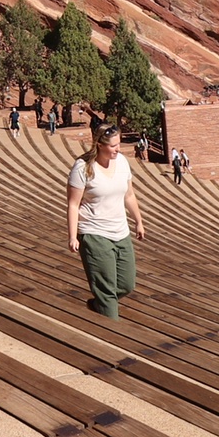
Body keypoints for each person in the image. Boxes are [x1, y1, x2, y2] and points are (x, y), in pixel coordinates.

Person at [68, 123, 145, 320]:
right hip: (94, 234)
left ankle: (99, 304)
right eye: (113, 146)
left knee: (127, 284)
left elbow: (129, 194)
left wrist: (138, 220)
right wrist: (72, 236)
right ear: (100, 145)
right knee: (106, 290)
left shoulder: (122, 163)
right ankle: (111, 328)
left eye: (118, 144)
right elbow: (74, 204)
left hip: (120, 231)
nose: (118, 149)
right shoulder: (83, 168)